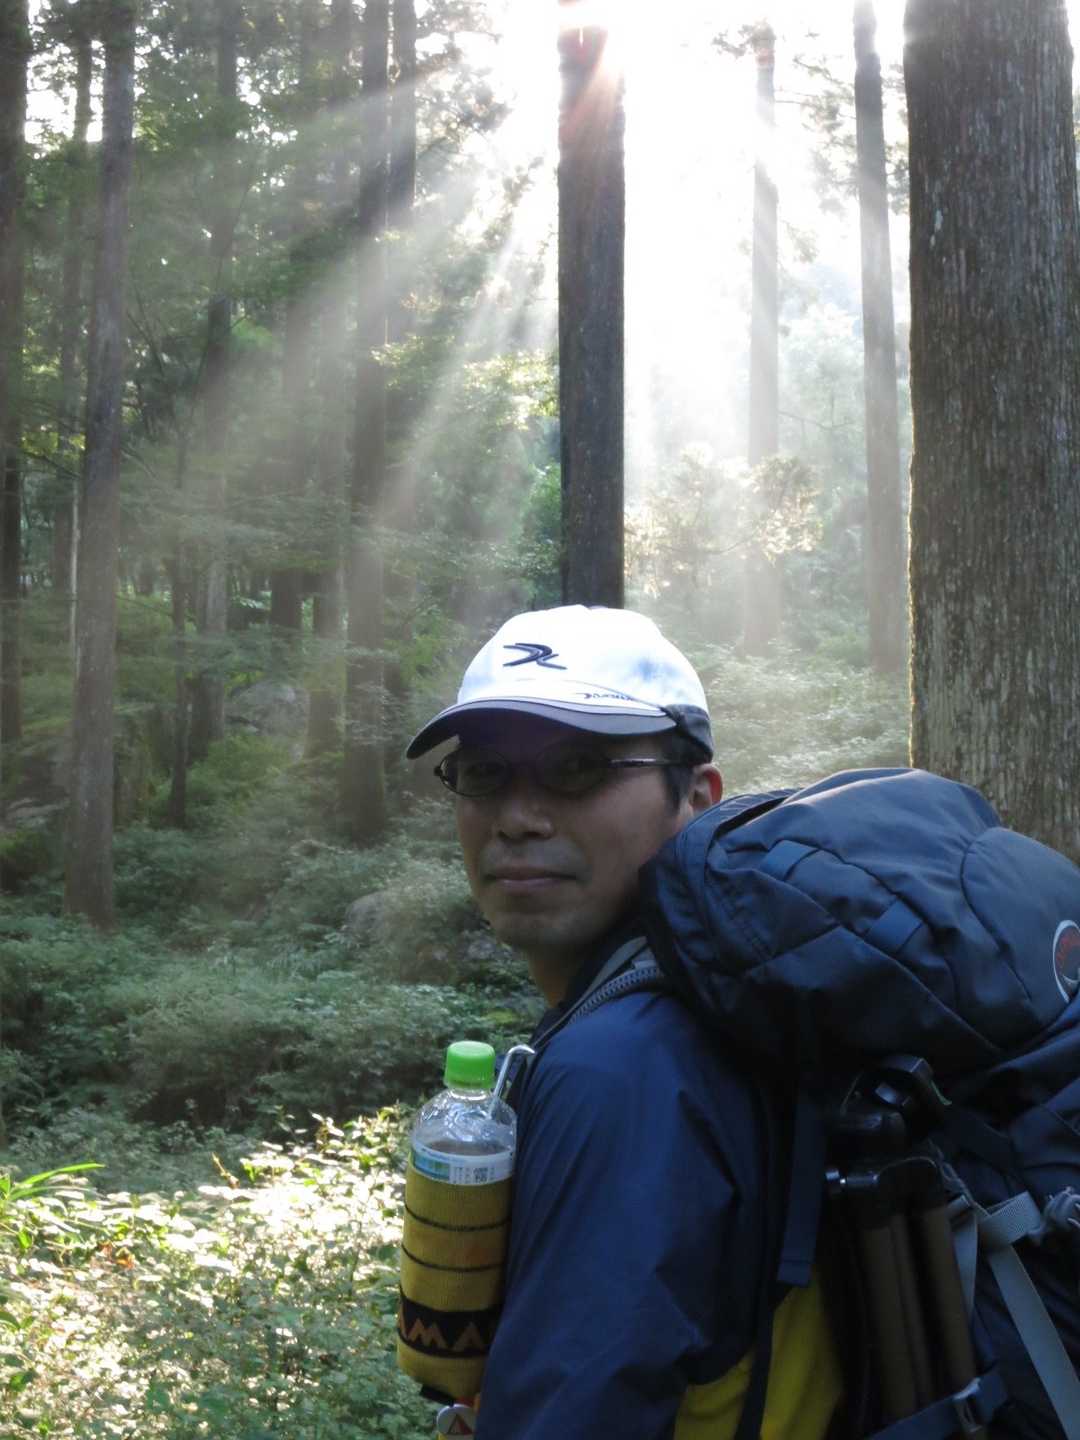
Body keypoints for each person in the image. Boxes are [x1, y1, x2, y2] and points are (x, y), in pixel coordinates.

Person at [406, 605, 843, 1440]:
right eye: (485, 773)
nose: (517, 817)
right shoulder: (730, 997)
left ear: (698, 797)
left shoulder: (625, 1069)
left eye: (577, 767)